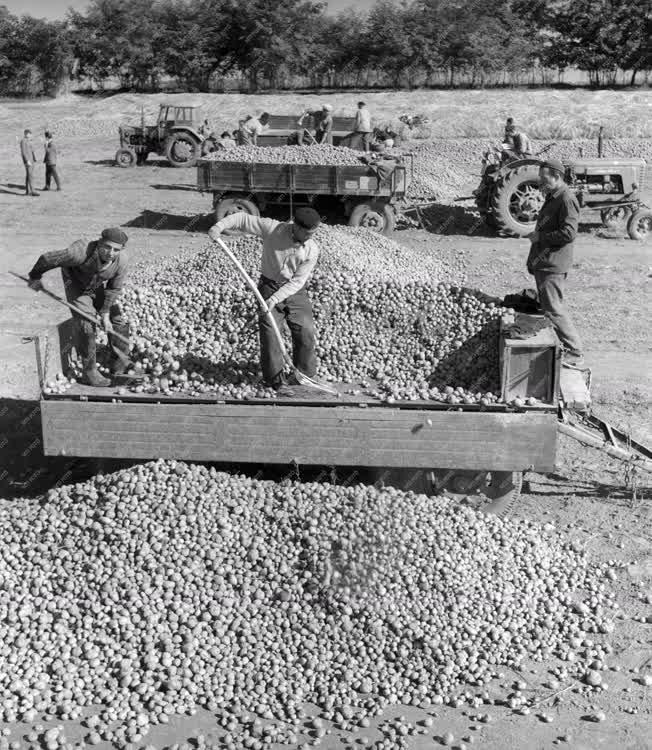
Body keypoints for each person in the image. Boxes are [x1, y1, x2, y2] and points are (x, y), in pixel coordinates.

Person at [208, 207, 321, 389]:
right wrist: (219, 226)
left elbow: (298, 281)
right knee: (270, 334)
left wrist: (276, 298)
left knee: (305, 329)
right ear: (296, 227)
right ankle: (275, 381)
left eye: (314, 233)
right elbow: (242, 219)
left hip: (295, 290)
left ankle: (305, 375)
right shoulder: (273, 229)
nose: (311, 237)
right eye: (308, 233)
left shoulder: (312, 249)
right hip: (268, 286)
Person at [27, 228, 131, 386]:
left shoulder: (121, 261)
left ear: (121, 249)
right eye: (107, 247)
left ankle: (119, 362)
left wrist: (105, 314)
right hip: (75, 284)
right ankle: (90, 372)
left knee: (117, 319)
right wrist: (34, 277)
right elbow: (47, 259)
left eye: (116, 249)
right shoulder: (79, 252)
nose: (111, 252)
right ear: (99, 243)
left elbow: (113, 289)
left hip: (95, 284)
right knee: (86, 322)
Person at [526, 159, 584, 368]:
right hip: (546, 262)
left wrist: (540, 237)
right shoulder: (553, 196)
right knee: (549, 306)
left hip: (554, 264)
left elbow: (569, 233)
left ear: (557, 177)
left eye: (544, 178)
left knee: (554, 308)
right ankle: (559, 346)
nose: (541, 182)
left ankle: (575, 351)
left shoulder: (566, 199)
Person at [20, 129, 38, 197]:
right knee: (31, 176)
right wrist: (27, 161)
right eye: (30, 134)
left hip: (32, 160)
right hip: (28, 161)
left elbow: (32, 150)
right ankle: (33, 191)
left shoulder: (29, 141)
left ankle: (28, 191)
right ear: (26, 134)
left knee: (28, 176)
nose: (31, 135)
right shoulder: (23, 141)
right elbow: (23, 152)